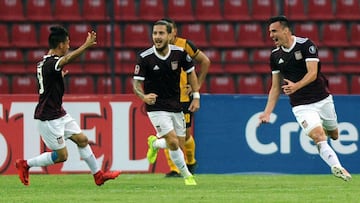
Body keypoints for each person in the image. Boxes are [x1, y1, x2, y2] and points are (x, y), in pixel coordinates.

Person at [15, 26, 121, 186]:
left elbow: (46, 81)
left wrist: (58, 78)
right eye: (67, 43)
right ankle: (25, 164)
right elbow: (65, 60)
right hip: (48, 118)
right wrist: (86, 46)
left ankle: (98, 175)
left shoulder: (44, 63)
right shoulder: (52, 63)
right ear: (60, 45)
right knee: (62, 156)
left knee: (82, 140)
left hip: (59, 113)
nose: (69, 46)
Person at [258, 15, 351, 181]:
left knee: (334, 135)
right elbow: (275, 87)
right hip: (301, 104)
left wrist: (295, 86)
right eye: (269, 32)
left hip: (322, 98)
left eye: (274, 31)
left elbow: (313, 73)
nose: (271, 35)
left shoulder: (306, 45)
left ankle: (323, 129)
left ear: (286, 30)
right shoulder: (274, 56)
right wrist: (267, 112)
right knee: (318, 136)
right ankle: (337, 167)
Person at [132, 20, 200, 185]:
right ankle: (187, 177)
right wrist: (143, 97)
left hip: (176, 105)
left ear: (170, 35)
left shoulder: (180, 53)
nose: (157, 37)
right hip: (156, 106)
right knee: (173, 142)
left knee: (178, 144)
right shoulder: (145, 57)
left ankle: (154, 143)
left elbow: (191, 73)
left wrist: (196, 96)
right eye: (155, 33)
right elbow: (135, 84)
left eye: (161, 33)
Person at [159, 18, 210, 177]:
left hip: (183, 96)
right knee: (169, 134)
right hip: (166, 97)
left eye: (171, 30)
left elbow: (205, 61)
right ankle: (175, 169)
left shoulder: (184, 45)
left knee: (185, 135)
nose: (169, 33)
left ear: (174, 31)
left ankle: (191, 162)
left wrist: (197, 87)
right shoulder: (158, 49)